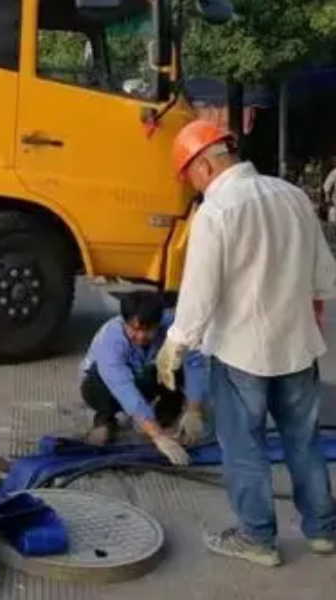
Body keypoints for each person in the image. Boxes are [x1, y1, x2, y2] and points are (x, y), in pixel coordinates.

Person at [157, 120, 336, 566]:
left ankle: (258, 538)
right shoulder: (293, 196)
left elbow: (200, 291)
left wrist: (176, 343)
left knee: (244, 447)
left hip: (242, 354)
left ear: (202, 167)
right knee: (303, 441)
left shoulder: (217, 212)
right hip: (297, 348)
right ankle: (323, 531)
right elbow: (324, 278)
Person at [80, 291, 207, 464]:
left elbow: (195, 363)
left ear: (159, 323)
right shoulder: (110, 339)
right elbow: (122, 387)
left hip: (145, 376)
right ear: (125, 323)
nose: (140, 337)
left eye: (148, 330)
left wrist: (194, 409)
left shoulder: (173, 327)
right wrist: (157, 435)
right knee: (100, 382)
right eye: (134, 329)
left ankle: (165, 417)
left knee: (175, 361)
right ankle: (105, 418)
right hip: (103, 386)